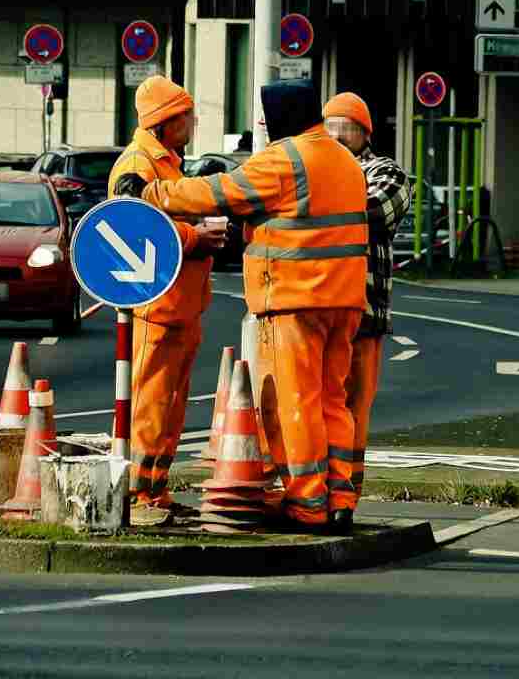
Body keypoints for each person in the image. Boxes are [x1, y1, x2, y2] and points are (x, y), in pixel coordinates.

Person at [138, 79, 369, 534]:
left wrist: (149, 193)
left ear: (283, 116)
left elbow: (216, 193)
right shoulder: (344, 159)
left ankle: (307, 502)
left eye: (266, 116)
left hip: (295, 299)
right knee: (332, 400)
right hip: (345, 299)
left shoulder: (286, 159)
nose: (262, 125)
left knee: (293, 402)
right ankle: (341, 497)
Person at [107, 75, 225, 525]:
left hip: (180, 305)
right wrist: (198, 236)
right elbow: (132, 228)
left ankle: (154, 490)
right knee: (151, 403)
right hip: (159, 306)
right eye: (186, 116)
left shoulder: (165, 163)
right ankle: (139, 493)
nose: (193, 122)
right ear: (164, 122)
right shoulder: (137, 166)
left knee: (171, 404)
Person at [323, 92, 411, 505]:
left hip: (364, 310)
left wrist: (317, 205)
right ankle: (314, 488)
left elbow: (372, 213)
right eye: (331, 127)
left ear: (365, 133)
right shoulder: (318, 169)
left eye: (347, 128)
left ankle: (345, 493)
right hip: (318, 308)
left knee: (354, 407)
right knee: (318, 402)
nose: (338, 136)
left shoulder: (386, 172)